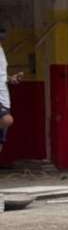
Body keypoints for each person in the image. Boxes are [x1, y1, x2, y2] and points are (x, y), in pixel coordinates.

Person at [0, 26, 22, 154]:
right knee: (7, 120)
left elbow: (1, 75)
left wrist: (11, 78)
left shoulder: (1, 51)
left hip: (4, 98)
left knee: (0, 140)